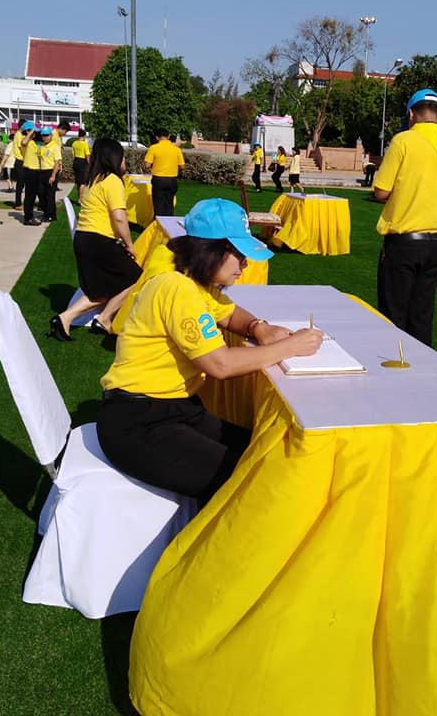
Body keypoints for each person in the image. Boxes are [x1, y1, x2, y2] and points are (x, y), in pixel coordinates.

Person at [96, 198, 323, 502]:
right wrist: (291, 346)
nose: (245, 264)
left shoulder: (190, 276)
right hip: (138, 422)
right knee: (250, 481)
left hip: (176, 408)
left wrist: (258, 327)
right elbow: (220, 364)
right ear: (211, 250)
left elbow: (227, 314)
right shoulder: (177, 287)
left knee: (261, 453)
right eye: (239, 254)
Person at [373, 88, 437, 347]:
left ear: (411, 114)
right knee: (422, 317)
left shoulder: (404, 141)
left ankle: (393, 367)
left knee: (393, 317)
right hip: (435, 243)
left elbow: (381, 191)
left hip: (404, 242)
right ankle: (422, 367)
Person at [48, 138, 143, 340]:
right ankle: (103, 318)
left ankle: (67, 318)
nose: (124, 162)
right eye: (122, 157)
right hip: (98, 241)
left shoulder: (95, 180)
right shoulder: (113, 181)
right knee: (135, 276)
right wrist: (129, 245)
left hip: (85, 239)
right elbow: (119, 217)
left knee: (101, 290)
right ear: (114, 158)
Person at [143, 129, 185, 217]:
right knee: (169, 204)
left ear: (157, 137)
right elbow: (182, 166)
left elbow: (147, 165)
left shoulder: (153, 148)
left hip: (158, 179)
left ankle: (158, 222)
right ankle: (169, 222)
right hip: (172, 180)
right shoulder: (176, 149)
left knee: (158, 205)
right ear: (168, 136)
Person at [38, 126, 61, 222]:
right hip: (42, 172)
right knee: (41, 194)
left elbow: (57, 162)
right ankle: (45, 212)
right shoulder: (42, 147)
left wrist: (53, 175)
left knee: (50, 195)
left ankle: (51, 215)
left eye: (47, 135)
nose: (45, 137)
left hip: (51, 171)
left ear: (51, 135)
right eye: (43, 135)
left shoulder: (55, 146)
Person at [12, 122, 30, 208]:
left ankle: (20, 202)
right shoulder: (18, 135)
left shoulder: (19, 135)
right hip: (20, 161)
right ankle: (18, 203)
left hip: (22, 161)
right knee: (20, 184)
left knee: (22, 184)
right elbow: (22, 147)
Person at [71, 128, 90, 200]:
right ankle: (81, 199)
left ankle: (79, 197)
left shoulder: (74, 143)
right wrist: (90, 164)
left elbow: (73, 155)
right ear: (84, 136)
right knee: (83, 182)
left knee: (78, 182)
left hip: (76, 161)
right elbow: (87, 156)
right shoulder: (85, 144)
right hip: (82, 162)